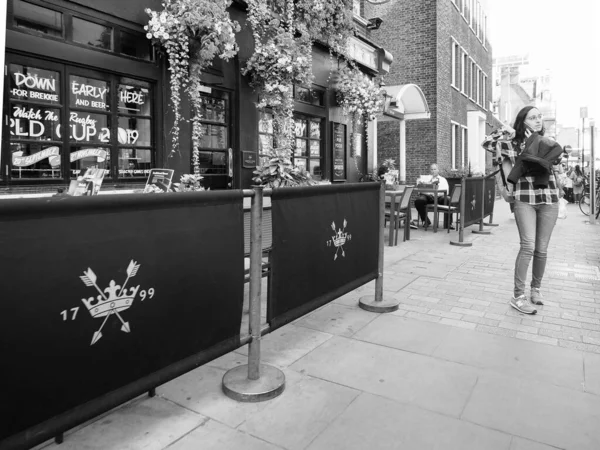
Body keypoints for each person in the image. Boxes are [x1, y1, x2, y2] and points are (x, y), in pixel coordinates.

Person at [482, 106, 561, 315]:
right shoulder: (513, 143)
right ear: (523, 121)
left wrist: (536, 140)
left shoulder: (546, 142)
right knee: (528, 246)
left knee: (541, 249)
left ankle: (536, 290)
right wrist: (508, 132)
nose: (538, 121)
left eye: (539, 117)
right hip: (525, 199)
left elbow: (557, 163)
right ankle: (518, 296)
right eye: (532, 117)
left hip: (549, 199)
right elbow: (487, 143)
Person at [410, 163, 449, 229]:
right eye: (432, 169)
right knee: (418, 201)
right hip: (427, 196)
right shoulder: (425, 178)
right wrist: (419, 182)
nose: (433, 171)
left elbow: (446, 191)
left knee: (447, 199)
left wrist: (436, 194)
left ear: (438, 170)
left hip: (439, 197)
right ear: (430, 170)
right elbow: (420, 189)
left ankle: (448, 223)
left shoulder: (443, 180)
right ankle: (426, 220)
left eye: (435, 169)